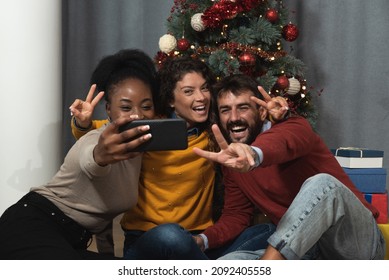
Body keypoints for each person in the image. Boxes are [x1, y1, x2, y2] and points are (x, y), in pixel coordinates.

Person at [70, 56, 276, 259]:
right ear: (170, 100)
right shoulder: (147, 127)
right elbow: (100, 135)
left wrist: (277, 116)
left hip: (198, 240)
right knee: (171, 235)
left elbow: (252, 129)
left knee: (268, 230)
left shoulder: (214, 134)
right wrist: (83, 123)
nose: (201, 97)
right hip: (150, 239)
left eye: (204, 88)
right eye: (188, 91)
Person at [193, 74, 385, 260]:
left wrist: (253, 154)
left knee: (323, 183)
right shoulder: (233, 162)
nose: (234, 117)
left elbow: (280, 143)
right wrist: (203, 240)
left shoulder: (294, 126)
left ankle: (270, 266)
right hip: (309, 251)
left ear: (261, 112)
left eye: (243, 108)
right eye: (226, 110)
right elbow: (236, 216)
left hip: (356, 243)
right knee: (229, 264)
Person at [0, 48, 160, 259]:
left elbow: (102, 208)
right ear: (109, 109)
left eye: (146, 106)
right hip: (30, 226)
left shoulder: (139, 151)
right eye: (126, 107)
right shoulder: (95, 140)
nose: (138, 115)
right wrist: (99, 155)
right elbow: (90, 158)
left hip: (69, 240)